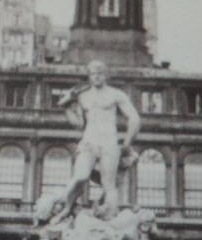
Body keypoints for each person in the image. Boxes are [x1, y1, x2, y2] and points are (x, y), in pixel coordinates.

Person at [57, 60, 140, 220]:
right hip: (89, 142)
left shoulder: (116, 94)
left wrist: (127, 142)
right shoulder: (83, 96)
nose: (96, 76)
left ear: (106, 75)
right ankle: (67, 208)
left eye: (100, 73)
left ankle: (110, 219)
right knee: (80, 176)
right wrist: (66, 108)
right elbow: (79, 124)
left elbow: (135, 118)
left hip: (109, 143)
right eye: (93, 73)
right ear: (89, 76)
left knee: (109, 184)